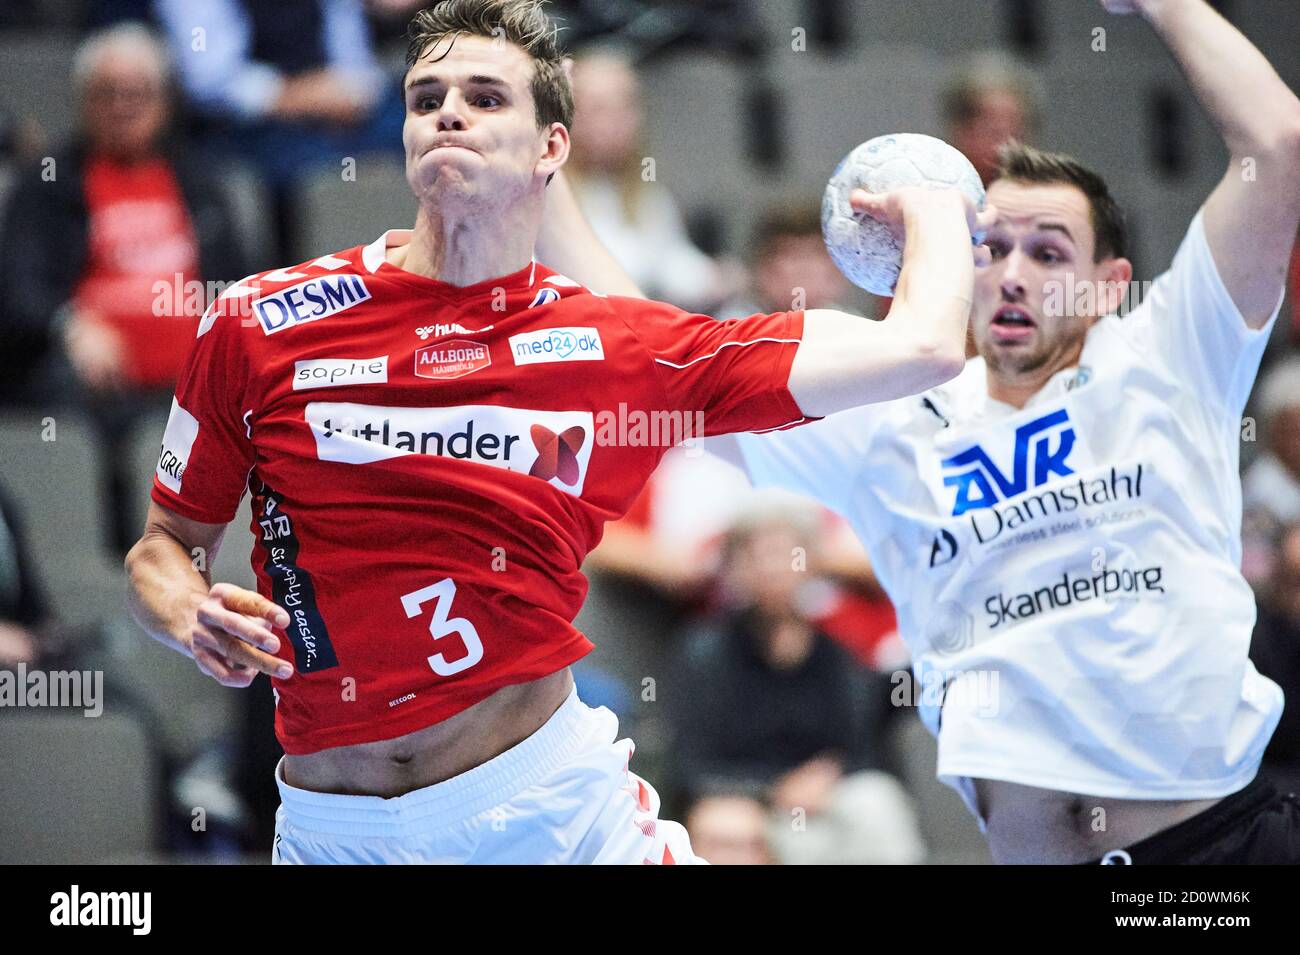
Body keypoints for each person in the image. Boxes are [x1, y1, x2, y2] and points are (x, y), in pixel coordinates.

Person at [124, 0, 992, 865]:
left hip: (548, 813)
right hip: (332, 828)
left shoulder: (616, 347)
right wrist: (188, 609)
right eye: (426, 99)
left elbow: (920, 346)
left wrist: (937, 206)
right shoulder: (260, 320)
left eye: (486, 97)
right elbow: (163, 545)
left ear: (552, 149)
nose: (449, 113)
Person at [556, 0, 1300, 863]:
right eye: (989, 248)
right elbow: (654, 351)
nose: (1013, 273)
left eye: (1050, 252)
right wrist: (543, 177)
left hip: (1220, 853)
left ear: (1109, 283)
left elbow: (1279, 145)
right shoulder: (887, 416)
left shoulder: (1172, 353)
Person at [0, 24, 247, 553]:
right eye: (106, 93)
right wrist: (68, 323)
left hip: (192, 387)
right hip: (89, 388)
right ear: (82, 102)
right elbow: (17, 293)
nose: (122, 106)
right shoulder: (47, 184)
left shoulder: (197, 181)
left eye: (138, 93)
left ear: (164, 101)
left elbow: (243, 287)